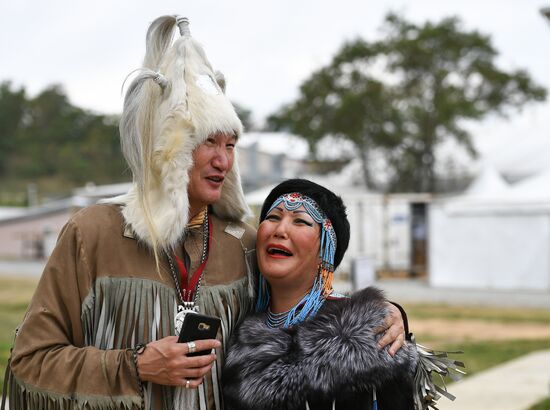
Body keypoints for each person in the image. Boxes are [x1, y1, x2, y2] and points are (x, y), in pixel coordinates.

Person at [2, 16, 408, 410]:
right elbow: (29, 361)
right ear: (168, 145)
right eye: (207, 141)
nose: (223, 160)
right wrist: (135, 365)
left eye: (230, 145)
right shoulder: (92, 234)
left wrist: (385, 315)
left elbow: (303, 305)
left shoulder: (245, 244)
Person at [223, 179, 463, 410]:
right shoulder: (239, 331)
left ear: (326, 250)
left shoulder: (370, 336)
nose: (280, 229)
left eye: (301, 222)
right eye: (273, 218)